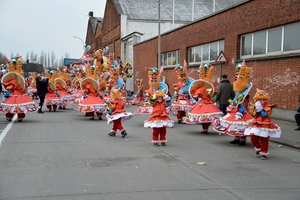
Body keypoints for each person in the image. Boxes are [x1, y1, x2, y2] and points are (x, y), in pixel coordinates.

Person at [244, 88, 281, 160]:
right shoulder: (255, 104)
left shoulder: (267, 106)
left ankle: (264, 153)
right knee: (253, 138)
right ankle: (258, 148)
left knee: (264, 138)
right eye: (259, 99)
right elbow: (253, 114)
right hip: (256, 122)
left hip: (265, 123)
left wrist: (260, 110)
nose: (261, 101)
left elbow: (265, 115)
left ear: (265, 99)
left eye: (263, 99)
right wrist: (254, 109)